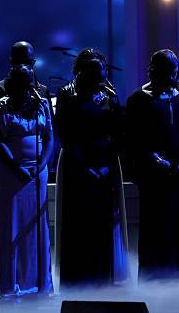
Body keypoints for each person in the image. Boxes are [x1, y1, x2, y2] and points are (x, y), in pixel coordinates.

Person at [55, 48, 129, 287]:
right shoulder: (67, 94)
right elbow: (65, 133)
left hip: (105, 163)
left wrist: (107, 164)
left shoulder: (109, 95)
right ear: (82, 71)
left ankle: (101, 273)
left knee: (103, 221)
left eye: (103, 71)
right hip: (78, 164)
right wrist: (86, 165)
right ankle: (78, 276)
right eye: (95, 72)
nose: (101, 76)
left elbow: (119, 131)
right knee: (78, 220)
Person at [126, 49, 179, 279]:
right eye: (167, 72)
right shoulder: (139, 98)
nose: (173, 77)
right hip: (153, 173)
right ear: (154, 71)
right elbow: (134, 138)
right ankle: (154, 274)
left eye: (175, 72)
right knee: (156, 225)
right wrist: (159, 160)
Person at [0, 63, 54, 296]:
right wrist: (16, 166)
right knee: (12, 225)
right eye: (22, 82)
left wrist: (43, 164)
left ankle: (38, 282)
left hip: (37, 171)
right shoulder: (1, 106)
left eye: (30, 82)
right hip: (11, 172)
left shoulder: (42, 105)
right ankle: (12, 283)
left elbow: (50, 137)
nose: (27, 87)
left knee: (36, 226)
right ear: (12, 84)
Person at [0, 41, 51, 112]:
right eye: (19, 61)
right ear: (11, 61)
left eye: (26, 62)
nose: (23, 67)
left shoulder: (43, 91)